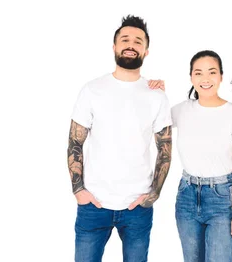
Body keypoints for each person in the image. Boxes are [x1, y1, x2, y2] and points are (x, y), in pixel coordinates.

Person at [67, 14, 172, 262]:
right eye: (125, 39)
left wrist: (153, 194)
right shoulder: (92, 89)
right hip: (94, 205)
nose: (131, 45)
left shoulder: (156, 96)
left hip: (137, 207)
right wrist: (78, 190)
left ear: (146, 51)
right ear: (114, 47)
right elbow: (75, 142)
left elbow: (164, 149)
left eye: (138, 41)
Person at [169, 50, 232, 262]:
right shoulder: (181, 110)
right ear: (191, 78)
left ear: (221, 76)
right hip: (187, 195)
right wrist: (155, 89)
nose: (205, 79)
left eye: (212, 72)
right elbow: (151, 119)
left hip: (223, 198)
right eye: (198, 73)